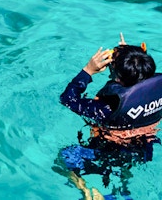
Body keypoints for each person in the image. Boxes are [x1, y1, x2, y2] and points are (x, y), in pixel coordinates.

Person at [56, 34, 162, 199]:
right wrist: (132, 57)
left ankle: (86, 191)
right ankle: (123, 193)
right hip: (144, 149)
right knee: (125, 173)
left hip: (110, 150)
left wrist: (88, 70)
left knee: (65, 157)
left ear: (117, 76)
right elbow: (139, 74)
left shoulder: (108, 108)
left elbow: (67, 99)